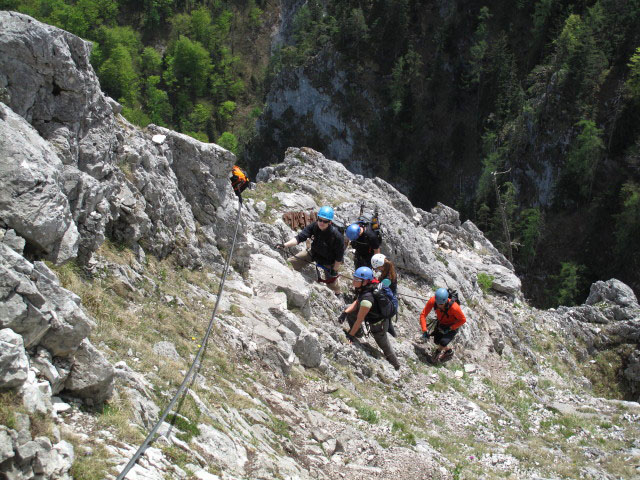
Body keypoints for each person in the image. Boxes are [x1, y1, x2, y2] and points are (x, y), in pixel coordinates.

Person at [340, 267, 400, 370]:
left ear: (365, 281)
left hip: (378, 325)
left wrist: (350, 336)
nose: (354, 281)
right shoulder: (367, 287)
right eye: (354, 277)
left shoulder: (368, 298)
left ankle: (395, 365)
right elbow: (358, 300)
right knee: (347, 308)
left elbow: (360, 319)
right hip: (374, 316)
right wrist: (345, 313)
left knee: (384, 344)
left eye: (357, 279)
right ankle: (358, 333)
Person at [276, 206, 344, 294]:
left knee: (332, 283)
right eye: (320, 219)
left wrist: (334, 270)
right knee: (290, 262)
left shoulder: (337, 236)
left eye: (325, 221)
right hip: (314, 253)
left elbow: (339, 256)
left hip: (329, 261)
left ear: (330, 222)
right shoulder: (314, 226)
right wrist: (284, 245)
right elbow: (300, 237)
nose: (321, 223)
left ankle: (338, 293)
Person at [419, 287, 466, 362]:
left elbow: (463, 320)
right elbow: (423, 315)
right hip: (441, 323)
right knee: (437, 341)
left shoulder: (454, 307)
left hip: (452, 325)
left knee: (443, 342)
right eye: (438, 304)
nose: (439, 306)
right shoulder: (433, 301)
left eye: (441, 304)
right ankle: (449, 351)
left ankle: (435, 357)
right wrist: (424, 330)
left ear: (446, 301)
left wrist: (451, 328)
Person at [371, 253, 398, 337]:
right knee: (388, 320)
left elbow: (380, 289)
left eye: (377, 268)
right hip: (391, 298)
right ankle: (392, 334)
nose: (376, 270)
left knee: (387, 318)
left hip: (388, 301)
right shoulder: (389, 271)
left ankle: (391, 334)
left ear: (381, 267)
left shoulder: (387, 279)